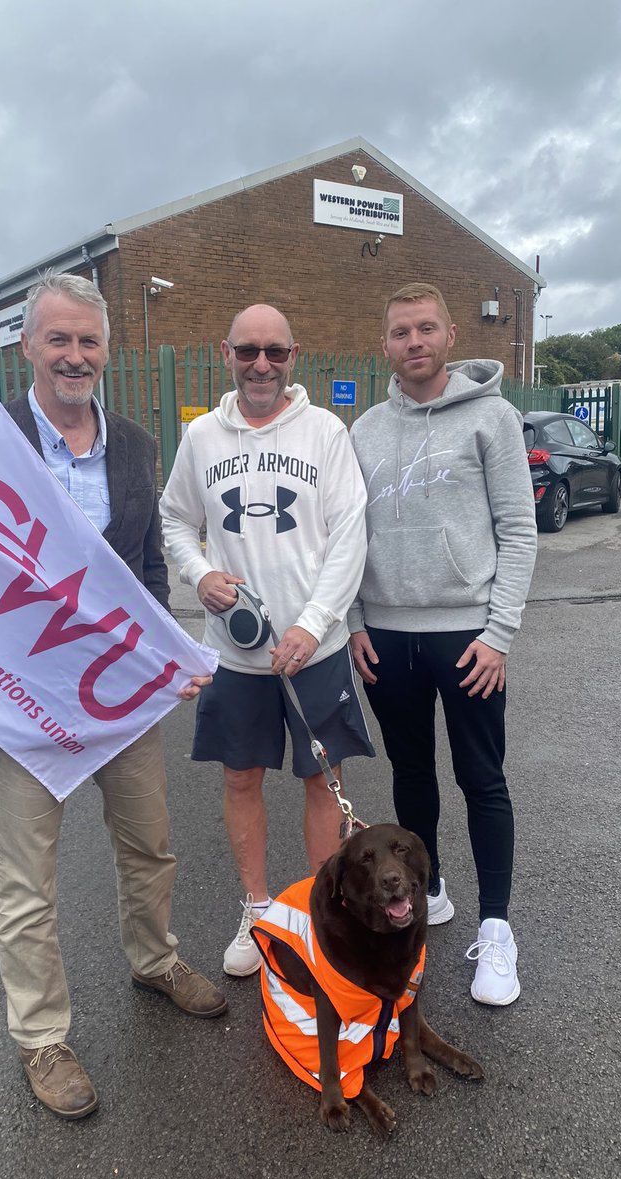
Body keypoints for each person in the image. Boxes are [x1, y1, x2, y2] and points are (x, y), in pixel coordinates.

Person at [0, 271, 226, 1121]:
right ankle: (43, 1040)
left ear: (106, 351)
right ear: (28, 347)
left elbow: (149, 570)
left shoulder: (139, 449)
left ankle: (156, 961)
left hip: (117, 696)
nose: (74, 356)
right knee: (26, 882)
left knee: (149, 845)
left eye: (88, 342)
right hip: (21, 698)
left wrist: (167, 656)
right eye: (58, 340)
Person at [159, 304, 374, 979]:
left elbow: (350, 536)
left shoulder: (325, 432)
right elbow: (173, 520)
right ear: (225, 353)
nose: (261, 364)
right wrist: (199, 575)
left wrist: (313, 623)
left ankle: (318, 912)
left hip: (317, 648)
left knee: (322, 780)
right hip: (235, 651)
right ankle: (256, 909)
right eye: (248, 351)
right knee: (241, 776)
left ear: (294, 354)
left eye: (274, 352)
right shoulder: (201, 438)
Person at [347, 283, 537, 1007]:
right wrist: (355, 623)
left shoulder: (492, 417)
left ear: (451, 335)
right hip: (387, 638)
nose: (414, 341)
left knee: (481, 779)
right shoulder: (363, 431)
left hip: (467, 638)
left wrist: (500, 633)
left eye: (426, 328)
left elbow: (519, 530)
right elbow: (348, 538)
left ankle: (496, 929)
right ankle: (427, 895)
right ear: (386, 344)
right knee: (411, 776)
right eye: (401, 332)